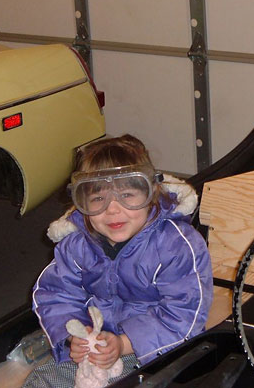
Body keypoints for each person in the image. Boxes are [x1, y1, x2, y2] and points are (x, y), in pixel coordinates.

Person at [27, 134, 213, 385]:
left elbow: (184, 314)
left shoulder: (176, 245)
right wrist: (75, 335)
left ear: (151, 193)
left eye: (127, 194)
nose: (112, 209)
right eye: (98, 198)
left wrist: (125, 343)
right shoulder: (77, 245)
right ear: (81, 203)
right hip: (97, 344)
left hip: (156, 348)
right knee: (43, 381)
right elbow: (55, 293)